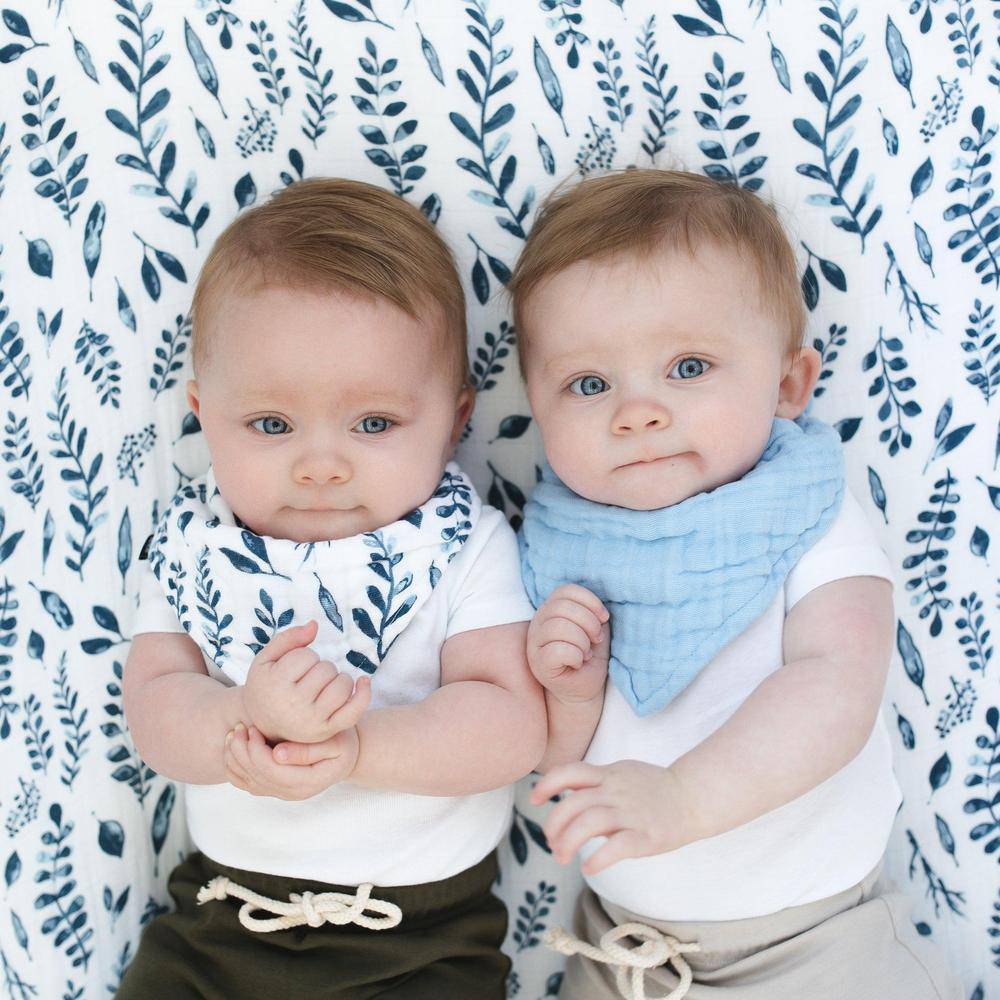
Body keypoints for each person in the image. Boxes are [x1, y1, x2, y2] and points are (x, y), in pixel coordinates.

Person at [512, 169, 961, 999]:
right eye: (588, 384)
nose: (636, 411)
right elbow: (548, 768)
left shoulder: (808, 516)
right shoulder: (560, 548)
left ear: (788, 385)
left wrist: (682, 799)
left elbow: (836, 687)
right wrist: (569, 699)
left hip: (814, 946)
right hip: (622, 949)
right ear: (536, 408)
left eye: (688, 367)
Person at [119, 177, 546, 1000]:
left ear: (456, 420)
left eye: (375, 424)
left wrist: (352, 752)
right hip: (220, 921)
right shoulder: (197, 552)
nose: (321, 465)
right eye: (272, 426)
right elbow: (157, 708)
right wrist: (246, 720)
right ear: (204, 414)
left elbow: (509, 724)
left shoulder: (467, 548)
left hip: (422, 941)